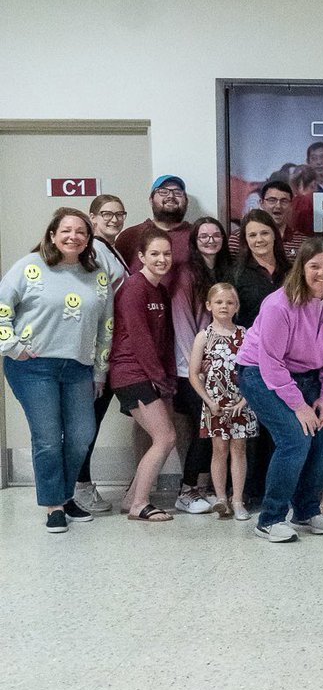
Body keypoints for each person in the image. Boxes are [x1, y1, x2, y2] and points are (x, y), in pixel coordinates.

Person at [234, 237, 323, 542]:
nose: (322, 273)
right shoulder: (278, 304)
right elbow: (270, 363)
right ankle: (270, 518)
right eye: (314, 266)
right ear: (301, 269)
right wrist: (299, 406)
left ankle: (304, 510)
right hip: (258, 373)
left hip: (307, 375)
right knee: (295, 438)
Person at [0, 208, 113, 534]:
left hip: (79, 366)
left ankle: (65, 495)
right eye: (66, 230)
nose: (73, 236)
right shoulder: (28, 267)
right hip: (32, 366)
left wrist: (100, 371)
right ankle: (54, 506)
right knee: (48, 438)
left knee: (80, 437)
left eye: (81, 231)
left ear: (88, 238)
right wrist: (13, 347)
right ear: (52, 234)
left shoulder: (97, 275)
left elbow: (106, 326)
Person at [109, 227, 178, 523]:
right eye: (155, 254)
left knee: (162, 437)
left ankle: (130, 500)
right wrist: (157, 377)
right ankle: (140, 503)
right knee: (165, 437)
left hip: (149, 374)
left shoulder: (160, 290)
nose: (162, 259)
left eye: (166, 253)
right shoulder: (134, 288)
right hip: (130, 373)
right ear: (141, 257)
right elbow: (140, 339)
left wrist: (168, 377)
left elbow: (163, 339)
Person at [170, 217, 233, 513]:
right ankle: (187, 490)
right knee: (203, 430)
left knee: (216, 431)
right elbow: (182, 321)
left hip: (221, 369)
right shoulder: (186, 274)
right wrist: (197, 362)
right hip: (192, 370)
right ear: (194, 241)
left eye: (215, 235)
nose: (210, 240)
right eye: (203, 235)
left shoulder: (223, 271)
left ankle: (205, 487)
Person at [74, 193, 130, 513]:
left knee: (89, 422)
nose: (113, 219)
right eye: (106, 214)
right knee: (87, 423)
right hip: (97, 353)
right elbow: (95, 305)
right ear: (92, 218)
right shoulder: (94, 250)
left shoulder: (111, 249)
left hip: (109, 350)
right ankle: (80, 488)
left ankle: (78, 485)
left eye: (119, 214)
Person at [187, 282, 257, 520]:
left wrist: (245, 399)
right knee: (219, 449)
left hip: (240, 402)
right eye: (219, 302)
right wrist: (208, 401)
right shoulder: (203, 337)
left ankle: (237, 500)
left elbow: (255, 370)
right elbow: (193, 373)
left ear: (237, 306)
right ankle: (220, 498)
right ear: (209, 305)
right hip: (215, 404)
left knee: (239, 448)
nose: (224, 306)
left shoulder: (246, 335)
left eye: (229, 302)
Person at [114, 174, 192, 286]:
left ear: (186, 201)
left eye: (177, 192)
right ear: (151, 200)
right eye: (163, 192)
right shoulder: (129, 236)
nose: (171, 196)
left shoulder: (199, 236)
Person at [232, 209, 287, 327]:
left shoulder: (291, 271)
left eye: (265, 233)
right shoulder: (235, 275)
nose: (259, 239)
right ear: (245, 240)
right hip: (251, 342)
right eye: (252, 235)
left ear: (275, 235)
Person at [230, 179, 305, 260]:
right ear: (261, 203)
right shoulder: (238, 239)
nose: (278, 206)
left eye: (284, 201)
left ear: (291, 205)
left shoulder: (302, 242)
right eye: (272, 200)